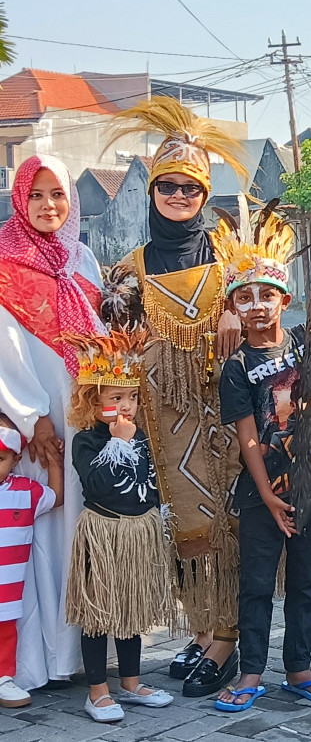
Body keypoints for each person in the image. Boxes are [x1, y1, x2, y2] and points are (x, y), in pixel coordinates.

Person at [106, 97, 247, 696]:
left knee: (231, 523)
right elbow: (111, 348)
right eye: (168, 186)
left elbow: (276, 319)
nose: (179, 196)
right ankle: (200, 629)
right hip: (165, 425)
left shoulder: (234, 259)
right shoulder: (128, 269)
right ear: (152, 191)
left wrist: (239, 312)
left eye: (190, 188)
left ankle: (228, 638)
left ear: (204, 192)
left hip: (231, 418)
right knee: (186, 530)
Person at [214, 211, 311, 712]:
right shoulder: (236, 368)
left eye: (266, 295)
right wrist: (269, 495)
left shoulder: (302, 342)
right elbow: (247, 437)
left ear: (285, 300)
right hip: (262, 490)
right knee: (254, 583)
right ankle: (251, 670)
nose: (256, 306)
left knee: (304, 580)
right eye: (244, 297)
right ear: (233, 304)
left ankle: (298, 667)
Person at [0, 154, 103, 691]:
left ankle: (76, 656)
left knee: (73, 531)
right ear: (20, 198)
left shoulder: (82, 258)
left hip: (81, 418)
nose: (47, 205)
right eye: (36, 194)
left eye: (57, 194)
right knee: (33, 530)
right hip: (32, 429)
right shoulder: (4, 257)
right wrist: (34, 417)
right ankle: (30, 663)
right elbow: (5, 348)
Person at [63, 330, 174, 724]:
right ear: (93, 402)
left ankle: (131, 683)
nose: (126, 406)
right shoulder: (86, 442)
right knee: (100, 613)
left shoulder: (139, 435)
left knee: (130, 610)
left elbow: (150, 481)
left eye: (131, 397)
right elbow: (98, 485)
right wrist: (120, 444)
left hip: (137, 535)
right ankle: (97, 693)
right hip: (104, 534)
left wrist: (157, 517)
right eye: (115, 398)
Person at [0, 418, 63, 709]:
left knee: (5, 632)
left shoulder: (25, 492)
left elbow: (56, 497)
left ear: (14, 461)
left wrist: (54, 463)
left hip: (7, 590)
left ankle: (3, 678)